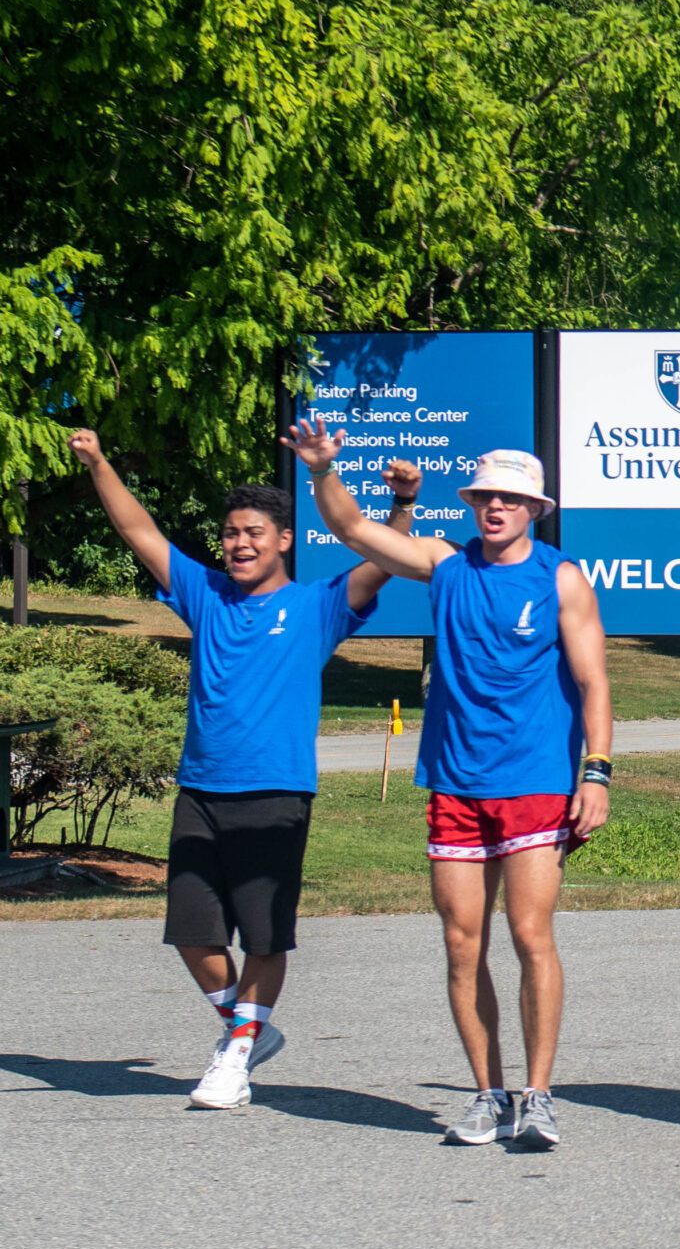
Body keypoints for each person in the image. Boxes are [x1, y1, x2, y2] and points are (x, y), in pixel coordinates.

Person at [68, 431, 415, 1110]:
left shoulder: (318, 605)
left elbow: (383, 561)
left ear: (284, 539)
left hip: (276, 793)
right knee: (193, 931)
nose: (239, 543)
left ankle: (234, 1055)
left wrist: (403, 503)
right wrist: (100, 463)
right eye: (230, 533)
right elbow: (138, 529)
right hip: (200, 788)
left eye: (254, 532)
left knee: (262, 934)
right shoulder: (205, 593)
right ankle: (245, 1028)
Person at [291, 423, 611, 1151]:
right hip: (455, 784)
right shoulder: (446, 563)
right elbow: (351, 527)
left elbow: (595, 682)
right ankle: (486, 1093)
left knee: (531, 934)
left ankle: (538, 1095)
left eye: (509, 497)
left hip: (533, 782)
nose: (494, 507)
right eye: (485, 496)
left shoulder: (562, 578)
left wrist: (596, 772)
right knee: (462, 943)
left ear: (534, 507)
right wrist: (321, 471)